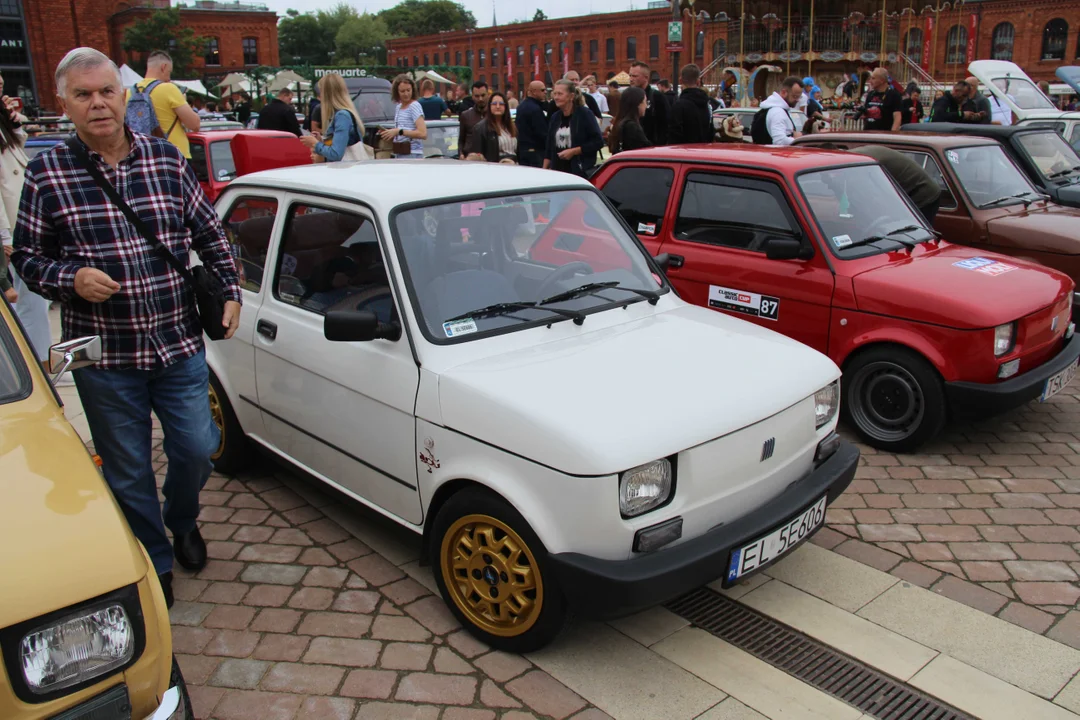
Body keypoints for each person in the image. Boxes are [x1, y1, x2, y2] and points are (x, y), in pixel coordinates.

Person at [12, 48, 243, 608]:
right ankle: (153, 557)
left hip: (178, 342)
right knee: (127, 467)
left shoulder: (166, 160)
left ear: (123, 95)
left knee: (196, 448)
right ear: (64, 103)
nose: (97, 104)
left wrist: (231, 289)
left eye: (105, 92)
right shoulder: (48, 172)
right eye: (83, 95)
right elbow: (27, 257)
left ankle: (181, 518)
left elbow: (209, 233)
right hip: (104, 356)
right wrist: (72, 277)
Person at [1, 74, 53, 374]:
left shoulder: (6, 122)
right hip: (10, 224)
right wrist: (4, 234)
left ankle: (38, 363)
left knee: (33, 300)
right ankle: (37, 365)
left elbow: (18, 140)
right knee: (27, 301)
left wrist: (11, 116)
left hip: (20, 219)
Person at [125, 50, 200, 157]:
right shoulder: (169, 88)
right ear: (163, 67)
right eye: (169, 72)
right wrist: (184, 100)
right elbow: (195, 125)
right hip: (173, 154)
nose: (169, 78)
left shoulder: (129, 93)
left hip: (143, 156)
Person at [849, 144, 943, 223]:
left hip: (922, 194)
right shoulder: (857, 156)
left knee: (911, 235)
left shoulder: (859, 162)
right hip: (918, 189)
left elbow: (875, 195)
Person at [300, 73, 366, 162]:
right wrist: (322, 140)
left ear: (327, 94)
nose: (320, 97)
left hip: (345, 171)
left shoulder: (342, 116)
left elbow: (336, 154)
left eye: (321, 92)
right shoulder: (342, 114)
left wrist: (315, 144)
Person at [543, 79, 603, 178]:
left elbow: (598, 141)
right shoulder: (555, 117)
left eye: (560, 94)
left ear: (571, 96)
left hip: (578, 172)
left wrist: (574, 151)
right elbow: (549, 148)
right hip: (557, 173)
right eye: (554, 94)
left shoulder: (584, 114)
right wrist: (544, 171)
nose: (556, 97)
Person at [380, 75, 426, 158]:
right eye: (402, 91)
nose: (406, 94)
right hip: (399, 152)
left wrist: (399, 131)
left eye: (408, 90)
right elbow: (401, 129)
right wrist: (389, 133)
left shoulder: (414, 106)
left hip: (412, 153)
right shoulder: (398, 107)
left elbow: (423, 133)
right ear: (397, 92)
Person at [466, 92, 517, 163]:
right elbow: (477, 157)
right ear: (489, 106)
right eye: (494, 104)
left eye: (501, 104)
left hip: (514, 167)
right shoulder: (480, 128)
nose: (498, 106)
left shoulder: (512, 127)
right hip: (495, 168)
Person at [669, 64, 712, 145]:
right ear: (698, 81)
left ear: (680, 80)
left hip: (685, 152)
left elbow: (674, 134)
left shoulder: (679, 105)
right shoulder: (707, 104)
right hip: (704, 150)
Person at [752, 76, 803, 145]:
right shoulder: (778, 112)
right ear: (783, 92)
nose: (797, 100)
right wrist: (797, 139)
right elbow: (779, 141)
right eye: (795, 96)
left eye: (799, 97)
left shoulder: (771, 109)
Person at [629, 61, 668, 145]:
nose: (631, 79)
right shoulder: (629, 96)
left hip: (652, 146)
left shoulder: (657, 97)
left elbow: (666, 124)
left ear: (646, 78)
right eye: (630, 75)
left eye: (635, 76)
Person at [607, 86, 650, 154]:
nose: (646, 105)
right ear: (638, 104)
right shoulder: (631, 126)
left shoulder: (619, 123)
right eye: (645, 102)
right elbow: (645, 150)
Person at [516, 80, 549, 167]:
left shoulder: (521, 106)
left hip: (523, 150)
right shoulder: (535, 109)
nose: (545, 92)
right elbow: (542, 132)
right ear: (534, 92)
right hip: (535, 152)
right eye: (542, 90)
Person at [457, 81, 488, 159]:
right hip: (470, 159)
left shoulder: (494, 115)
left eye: (483, 95)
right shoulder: (466, 115)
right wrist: (461, 154)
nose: (480, 99)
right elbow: (461, 140)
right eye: (477, 96)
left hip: (490, 159)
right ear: (472, 97)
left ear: (488, 94)